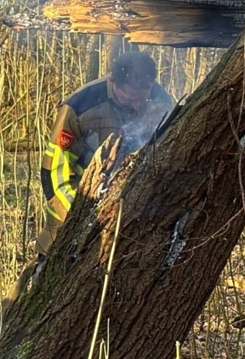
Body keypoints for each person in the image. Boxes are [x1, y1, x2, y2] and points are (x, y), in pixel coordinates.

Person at [37, 51, 174, 256]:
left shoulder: (162, 102)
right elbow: (54, 174)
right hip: (72, 216)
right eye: (129, 99)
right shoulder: (80, 106)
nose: (137, 106)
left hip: (134, 220)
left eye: (141, 99)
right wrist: (85, 214)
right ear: (113, 81)